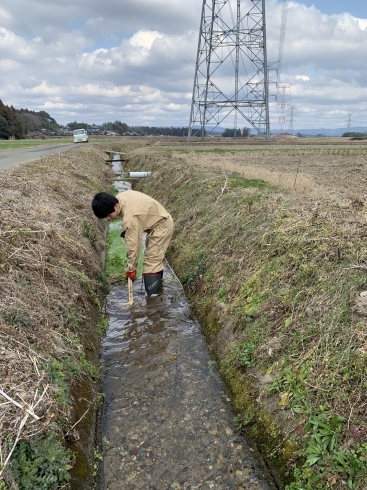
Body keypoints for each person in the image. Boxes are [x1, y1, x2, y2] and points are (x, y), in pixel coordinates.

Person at [91, 190, 174, 296]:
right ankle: (158, 287)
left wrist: (131, 269)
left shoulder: (130, 218)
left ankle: (153, 298)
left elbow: (133, 247)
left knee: (151, 262)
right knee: (153, 257)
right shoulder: (120, 197)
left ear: (116, 206)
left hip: (162, 225)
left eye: (108, 215)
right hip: (155, 219)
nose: (108, 219)